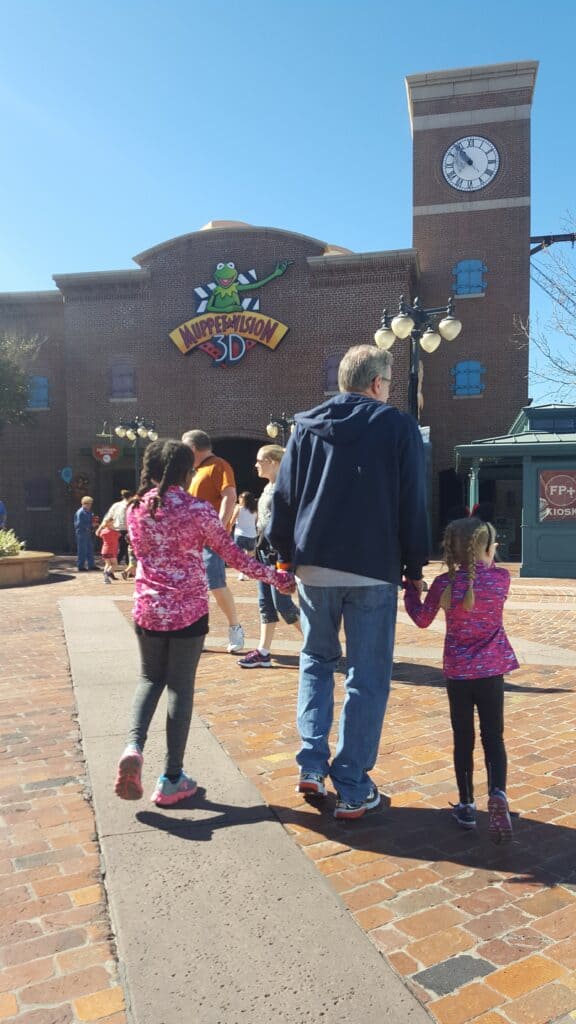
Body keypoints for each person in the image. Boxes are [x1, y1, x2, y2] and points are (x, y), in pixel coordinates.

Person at [267, 344, 429, 820]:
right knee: (368, 675)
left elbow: (284, 496)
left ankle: (312, 765)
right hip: (373, 566)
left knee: (316, 660)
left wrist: (282, 556)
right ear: (378, 383)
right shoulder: (397, 427)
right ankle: (354, 783)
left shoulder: (305, 428)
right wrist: (415, 567)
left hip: (313, 564)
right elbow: (411, 500)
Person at [114, 439, 295, 807]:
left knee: (149, 679)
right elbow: (233, 557)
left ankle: (133, 747)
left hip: (147, 611)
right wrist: (277, 578)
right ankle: (172, 778)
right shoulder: (197, 510)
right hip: (188, 613)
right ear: (186, 472)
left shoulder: (135, 510)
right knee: (180, 688)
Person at [404, 516, 518, 843]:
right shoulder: (501, 579)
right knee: (493, 736)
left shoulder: (443, 584)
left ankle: (467, 805)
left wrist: (412, 593)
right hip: (492, 671)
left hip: (458, 673)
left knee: (463, 737)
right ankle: (497, 792)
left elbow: (422, 620)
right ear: (484, 547)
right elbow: (484, 574)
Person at [181, 430, 244, 653]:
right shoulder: (193, 471)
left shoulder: (218, 465)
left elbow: (230, 496)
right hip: (191, 541)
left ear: (192, 448)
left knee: (215, 585)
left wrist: (219, 527)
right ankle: (197, 635)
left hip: (210, 540)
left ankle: (235, 626)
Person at [238, 446, 301, 669]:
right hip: (264, 551)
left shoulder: (287, 487)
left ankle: (320, 644)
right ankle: (263, 651)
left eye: (260, 460)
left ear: (274, 462)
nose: (256, 465)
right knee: (266, 603)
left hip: (279, 555)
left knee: (283, 604)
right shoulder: (268, 488)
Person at [229, 491, 258, 579]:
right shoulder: (255, 510)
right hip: (252, 534)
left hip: (240, 534)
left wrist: (229, 528)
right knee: (250, 555)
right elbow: (256, 522)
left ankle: (242, 573)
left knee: (239, 556)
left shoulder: (239, 508)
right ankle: (249, 572)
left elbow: (232, 520)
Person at [103, 489, 132, 564]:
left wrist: (102, 526)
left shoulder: (115, 505)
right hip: (126, 529)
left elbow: (108, 516)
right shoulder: (130, 505)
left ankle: (118, 563)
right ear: (130, 496)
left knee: (121, 548)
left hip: (116, 529)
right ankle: (118, 563)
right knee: (126, 548)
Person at [74, 496, 97, 572]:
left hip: (87, 532)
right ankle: (80, 566)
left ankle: (91, 565)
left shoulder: (89, 512)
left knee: (90, 549)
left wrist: (94, 521)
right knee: (82, 549)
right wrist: (91, 525)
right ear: (84, 504)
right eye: (89, 504)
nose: (90, 505)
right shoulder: (80, 512)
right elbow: (79, 524)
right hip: (81, 533)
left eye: (91, 504)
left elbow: (90, 520)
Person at [95, 514, 120, 582]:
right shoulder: (114, 532)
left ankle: (106, 578)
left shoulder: (103, 531)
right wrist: (114, 528)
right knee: (114, 564)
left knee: (108, 564)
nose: (114, 523)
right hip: (111, 550)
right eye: (112, 522)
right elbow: (119, 535)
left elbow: (99, 534)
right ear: (110, 523)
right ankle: (107, 573)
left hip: (104, 550)